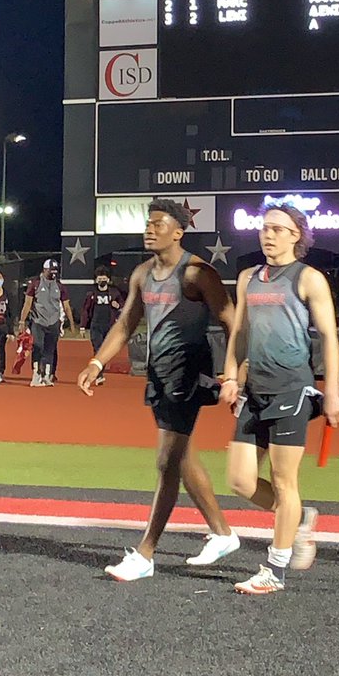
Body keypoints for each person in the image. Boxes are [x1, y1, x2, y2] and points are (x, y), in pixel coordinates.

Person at [77, 199, 240, 580]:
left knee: (167, 460)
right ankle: (221, 533)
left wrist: (236, 371)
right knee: (181, 457)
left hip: (189, 372)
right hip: (159, 374)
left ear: (178, 232)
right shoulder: (141, 274)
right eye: (147, 224)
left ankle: (145, 553)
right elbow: (125, 324)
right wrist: (96, 362)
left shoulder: (198, 274)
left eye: (158, 224)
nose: (149, 229)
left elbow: (234, 322)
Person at [221, 203, 339, 595]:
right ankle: (300, 518)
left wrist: (335, 392)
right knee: (239, 479)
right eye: (264, 227)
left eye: (277, 228)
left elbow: (329, 337)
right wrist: (230, 375)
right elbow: (239, 331)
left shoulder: (309, 279)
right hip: (253, 390)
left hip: (292, 389)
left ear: (296, 235)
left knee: (283, 479)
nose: (268, 234)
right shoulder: (247, 278)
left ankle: (275, 569)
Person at [18, 258, 77, 386]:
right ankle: (36, 375)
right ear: (44, 270)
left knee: (50, 350)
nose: (53, 273)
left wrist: (72, 323)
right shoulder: (35, 284)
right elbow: (28, 303)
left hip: (54, 322)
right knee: (38, 347)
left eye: (55, 271)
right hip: (38, 321)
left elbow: (66, 306)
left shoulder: (60, 286)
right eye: (51, 271)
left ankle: (47, 376)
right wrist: (22, 321)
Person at [80, 266, 124, 385]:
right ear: (96, 279)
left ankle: (99, 372)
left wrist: (118, 306)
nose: (102, 280)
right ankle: (99, 375)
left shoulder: (114, 292)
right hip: (96, 325)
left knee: (105, 352)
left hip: (109, 326)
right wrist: (83, 326)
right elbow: (85, 310)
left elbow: (123, 306)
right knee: (98, 349)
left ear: (108, 279)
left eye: (104, 278)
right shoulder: (91, 293)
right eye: (100, 278)